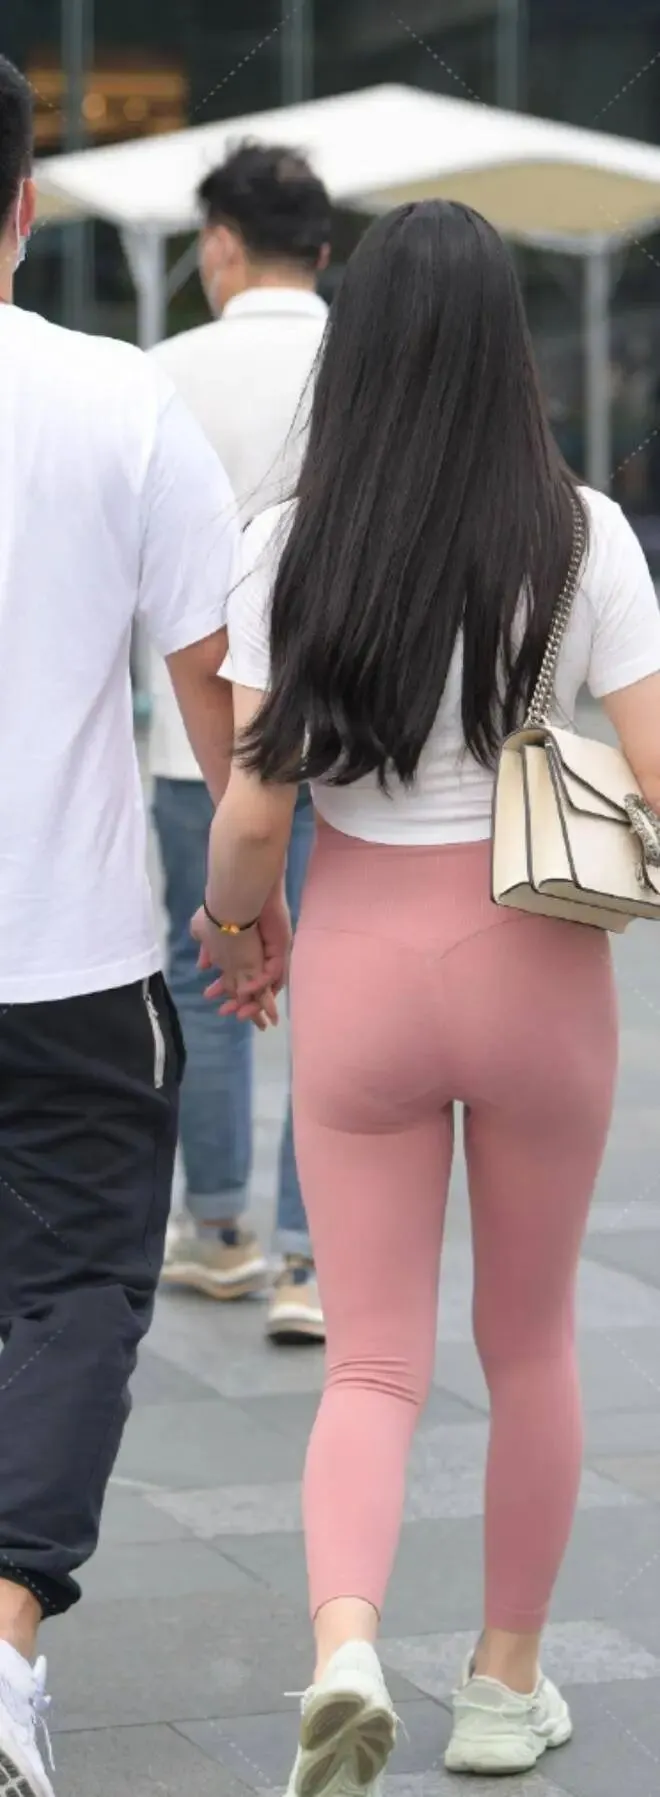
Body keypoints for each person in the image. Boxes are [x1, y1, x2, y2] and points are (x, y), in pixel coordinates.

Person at [193, 199, 660, 1785]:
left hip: (365, 966)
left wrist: (236, 927)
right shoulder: (584, 534)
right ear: (506, 346)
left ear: (361, 347)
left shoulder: (289, 541)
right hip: (538, 961)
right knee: (530, 1342)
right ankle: (504, 1687)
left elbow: (254, 811)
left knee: (372, 1358)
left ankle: (342, 1647)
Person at [0, 56, 242, 1797]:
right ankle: (4, 1635)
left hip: (78, 955)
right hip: (73, 955)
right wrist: (250, 900)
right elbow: (217, 696)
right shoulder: (117, 397)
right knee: (78, 1285)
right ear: (25, 206)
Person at [150, 141, 331, 1342]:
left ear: (220, 243)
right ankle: (315, 1258)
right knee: (339, 989)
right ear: (324, 249)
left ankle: (218, 1231)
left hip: (192, 743)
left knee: (207, 979)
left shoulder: (161, 372)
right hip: (349, 741)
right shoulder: (370, 363)